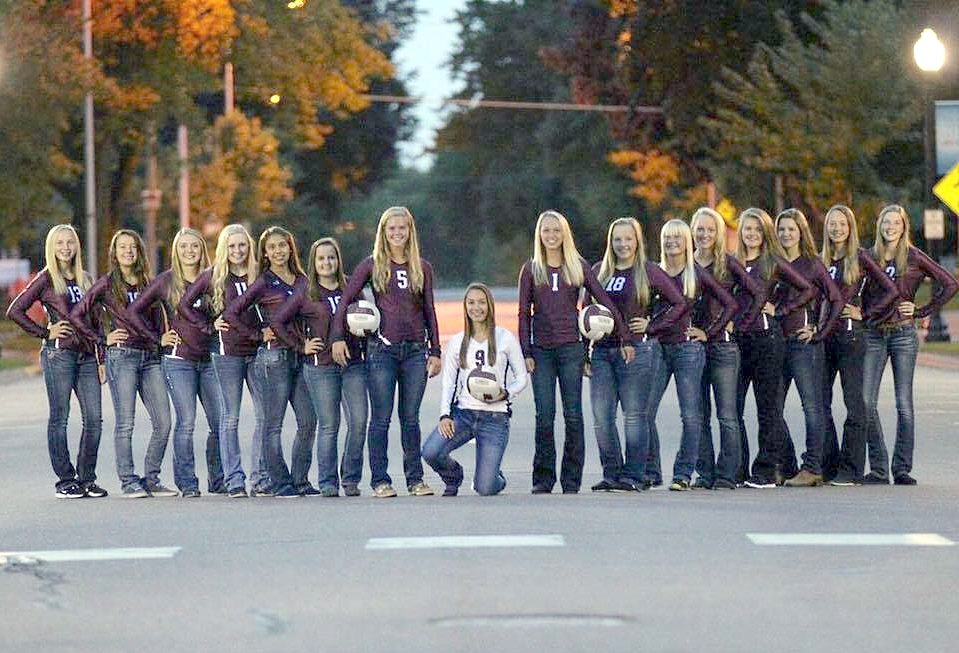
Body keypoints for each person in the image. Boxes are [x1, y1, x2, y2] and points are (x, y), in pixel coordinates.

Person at [518, 210, 632, 494]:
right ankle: (543, 479)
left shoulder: (578, 265)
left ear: (564, 233)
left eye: (556, 230)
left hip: (571, 350)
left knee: (573, 415)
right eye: (546, 230)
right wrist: (526, 351)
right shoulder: (531, 269)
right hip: (542, 352)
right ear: (539, 234)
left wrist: (625, 336)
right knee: (544, 415)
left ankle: (571, 480)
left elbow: (605, 301)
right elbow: (523, 313)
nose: (552, 235)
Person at [330, 207, 441, 499]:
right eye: (391, 228)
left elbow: (429, 310)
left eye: (402, 228)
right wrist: (338, 337)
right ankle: (380, 479)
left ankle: (415, 479)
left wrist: (436, 350)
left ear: (410, 231)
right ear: (383, 232)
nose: (397, 233)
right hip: (382, 351)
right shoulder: (372, 265)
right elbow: (345, 302)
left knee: (411, 418)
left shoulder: (422, 267)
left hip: (416, 352)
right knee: (381, 419)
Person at [72, 229, 175, 498]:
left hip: (151, 358)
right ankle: (128, 481)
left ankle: (151, 478)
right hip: (123, 357)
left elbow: (166, 315)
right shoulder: (106, 284)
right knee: (125, 423)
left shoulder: (149, 283)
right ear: (114, 254)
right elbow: (77, 315)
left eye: (132, 247)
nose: (128, 251)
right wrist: (102, 339)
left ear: (139, 251)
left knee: (163, 422)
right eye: (122, 247)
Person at [861, 204, 958, 485]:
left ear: (904, 226)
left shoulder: (914, 257)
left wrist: (921, 311)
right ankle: (879, 468)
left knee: (904, 403)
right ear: (879, 226)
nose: (890, 227)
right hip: (873, 333)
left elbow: (949, 283)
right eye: (885, 222)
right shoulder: (869, 256)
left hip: (903, 333)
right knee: (866, 402)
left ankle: (902, 467)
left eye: (895, 222)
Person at [6, 224, 105, 498]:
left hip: (86, 356)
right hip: (58, 355)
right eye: (60, 243)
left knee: (94, 419)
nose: (65, 247)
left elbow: (96, 320)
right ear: (52, 247)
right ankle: (65, 480)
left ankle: (87, 478)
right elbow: (15, 310)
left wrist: (101, 357)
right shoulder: (46, 278)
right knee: (60, 417)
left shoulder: (85, 278)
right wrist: (45, 332)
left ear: (77, 246)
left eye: (70, 242)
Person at [589, 217, 686, 493]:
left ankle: (634, 475)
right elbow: (587, 311)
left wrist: (653, 326)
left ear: (637, 241)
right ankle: (611, 473)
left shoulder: (649, 271)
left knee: (634, 416)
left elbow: (678, 303)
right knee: (602, 417)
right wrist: (586, 353)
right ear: (611, 242)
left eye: (628, 238)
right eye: (617, 239)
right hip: (602, 352)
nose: (623, 244)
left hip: (638, 351)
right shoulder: (599, 271)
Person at [128, 228, 223, 498]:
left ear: (202, 250)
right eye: (184, 247)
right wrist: (157, 337)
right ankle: (187, 482)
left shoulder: (213, 278)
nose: (189, 251)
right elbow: (134, 311)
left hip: (210, 359)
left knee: (218, 422)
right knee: (187, 422)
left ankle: (217, 479)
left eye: (194, 246)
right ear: (176, 251)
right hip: (179, 361)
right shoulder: (165, 281)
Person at [223, 226, 316, 498]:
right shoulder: (263, 281)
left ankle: (299, 480)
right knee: (272, 424)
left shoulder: (301, 278)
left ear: (290, 247)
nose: (278, 251)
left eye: (282, 245)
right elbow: (231, 313)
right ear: (265, 252)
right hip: (273, 357)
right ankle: (280, 482)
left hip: (300, 357)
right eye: (272, 247)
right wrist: (255, 333)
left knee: (308, 420)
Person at [274, 237, 369, 497]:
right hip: (321, 368)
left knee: (359, 422)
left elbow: (366, 316)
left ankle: (350, 478)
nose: (327, 262)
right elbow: (278, 322)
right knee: (329, 425)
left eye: (331, 257)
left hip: (353, 364)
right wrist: (300, 345)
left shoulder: (351, 286)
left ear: (338, 260)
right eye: (321, 258)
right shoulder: (306, 291)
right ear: (313, 263)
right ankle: (328, 481)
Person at [178, 224, 268, 498]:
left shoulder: (259, 276)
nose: (237, 251)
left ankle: (261, 478)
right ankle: (234, 479)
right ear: (223, 249)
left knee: (264, 416)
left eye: (242, 245)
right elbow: (183, 305)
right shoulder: (212, 276)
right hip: (226, 354)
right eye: (232, 246)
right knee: (230, 417)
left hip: (257, 352)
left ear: (249, 248)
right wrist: (208, 325)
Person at [647, 219, 737, 491]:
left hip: (688, 349)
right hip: (659, 349)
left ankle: (683, 473)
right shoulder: (654, 271)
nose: (672, 242)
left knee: (691, 415)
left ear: (687, 241)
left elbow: (730, 304)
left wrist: (708, 332)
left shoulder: (695, 272)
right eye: (667, 237)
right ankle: (651, 472)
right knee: (645, 412)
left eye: (678, 237)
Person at [422, 283, 528, 496]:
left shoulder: (504, 338)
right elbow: (449, 383)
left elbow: (522, 377)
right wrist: (445, 415)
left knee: (485, 488)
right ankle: (453, 476)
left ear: (489, 305)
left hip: (495, 419)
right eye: (471, 302)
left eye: (481, 302)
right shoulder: (457, 341)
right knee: (430, 452)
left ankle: (494, 475)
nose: (476, 308)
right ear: (465, 306)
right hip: (465, 414)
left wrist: (506, 393)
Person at [818, 205, 898, 485]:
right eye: (832, 224)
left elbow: (891, 290)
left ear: (850, 227)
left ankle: (851, 469)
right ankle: (829, 465)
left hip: (852, 339)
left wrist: (866, 314)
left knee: (854, 404)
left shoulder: (861, 258)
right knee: (820, 404)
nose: (837, 228)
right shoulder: (822, 259)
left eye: (842, 224)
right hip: (823, 339)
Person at [732, 208, 812, 489]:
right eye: (746, 229)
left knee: (768, 409)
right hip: (737, 343)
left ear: (764, 233)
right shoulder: (732, 262)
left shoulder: (773, 261)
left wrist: (781, 309)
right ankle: (737, 469)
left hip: (767, 341)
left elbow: (807, 289)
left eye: (756, 229)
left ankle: (766, 470)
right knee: (733, 408)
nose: (751, 234)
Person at [689, 207, 763, 490]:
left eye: (711, 229)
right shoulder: (686, 263)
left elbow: (757, 294)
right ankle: (704, 473)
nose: (705, 234)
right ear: (693, 231)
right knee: (698, 415)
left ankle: (727, 474)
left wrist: (739, 324)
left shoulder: (729, 263)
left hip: (723, 348)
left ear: (718, 233)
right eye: (700, 229)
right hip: (693, 349)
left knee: (727, 414)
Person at [772, 209, 843, 487]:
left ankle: (812, 467)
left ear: (801, 232)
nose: (786, 234)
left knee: (812, 407)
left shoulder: (812, 264)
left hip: (804, 345)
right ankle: (788, 464)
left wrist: (819, 330)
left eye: (791, 229)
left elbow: (835, 299)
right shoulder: (773, 263)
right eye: (782, 229)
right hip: (776, 345)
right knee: (772, 409)